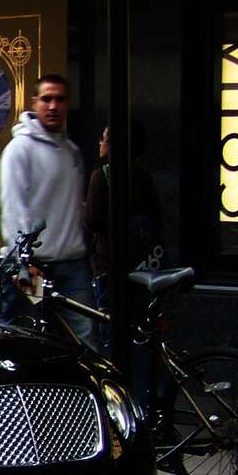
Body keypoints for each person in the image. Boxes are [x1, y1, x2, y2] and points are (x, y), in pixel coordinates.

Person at [0, 74, 97, 348]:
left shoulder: (71, 151)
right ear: (34, 102)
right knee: (23, 340)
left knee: (85, 341)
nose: (53, 106)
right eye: (46, 99)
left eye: (60, 99)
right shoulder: (19, 149)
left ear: (68, 104)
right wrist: (23, 262)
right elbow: (13, 207)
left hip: (71, 266)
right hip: (33, 267)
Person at [85, 123, 163, 328]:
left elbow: (93, 221)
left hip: (108, 264)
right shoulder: (143, 176)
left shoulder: (100, 177)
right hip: (140, 264)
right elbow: (157, 217)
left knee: (110, 324)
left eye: (104, 139)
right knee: (138, 323)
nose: (100, 143)